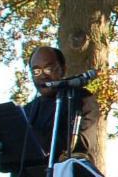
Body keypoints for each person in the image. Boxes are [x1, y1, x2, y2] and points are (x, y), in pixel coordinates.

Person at [19, 46, 100, 176]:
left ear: (63, 69)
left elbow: (82, 142)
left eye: (48, 68)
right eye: (36, 71)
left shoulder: (83, 99)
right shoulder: (27, 110)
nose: (43, 76)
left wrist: (33, 139)